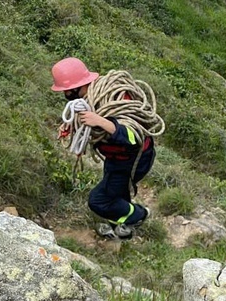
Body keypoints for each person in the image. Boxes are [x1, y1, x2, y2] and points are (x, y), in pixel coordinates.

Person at [51, 58, 156, 240]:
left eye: (67, 90)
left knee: (99, 201)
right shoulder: (87, 98)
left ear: (78, 85)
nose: (66, 94)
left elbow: (133, 137)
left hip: (133, 159)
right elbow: (83, 117)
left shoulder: (117, 97)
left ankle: (139, 215)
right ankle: (122, 228)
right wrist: (70, 126)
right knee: (116, 192)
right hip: (115, 158)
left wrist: (100, 121)